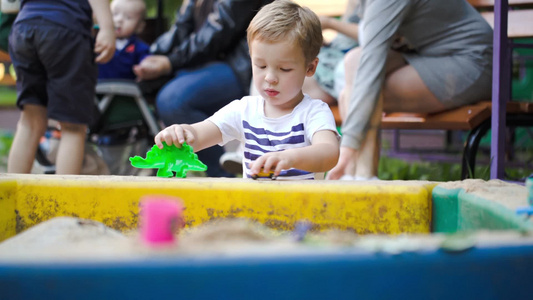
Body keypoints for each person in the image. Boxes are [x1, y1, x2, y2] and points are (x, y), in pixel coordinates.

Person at [154, 0, 340, 180]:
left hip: (302, 211)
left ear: (310, 68)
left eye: (284, 69)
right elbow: (199, 134)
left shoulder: (314, 112)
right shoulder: (243, 110)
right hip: (252, 211)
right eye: (260, 66)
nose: (270, 78)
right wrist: (181, 134)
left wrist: (290, 158)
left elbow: (329, 153)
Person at [326, 0, 493, 180]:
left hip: (473, 62)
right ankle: (355, 174)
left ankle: (362, 175)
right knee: (353, 62)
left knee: (360, 89)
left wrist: (348, 146)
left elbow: (371, 67)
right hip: (429, 55)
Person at [133, 0, 273, 177]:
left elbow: (218, 32)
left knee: (173, 100)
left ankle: (222, 175)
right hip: (203, 62)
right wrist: (148, 57)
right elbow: (181, 27)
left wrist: (170, 62)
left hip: (240, 66)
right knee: (150, 85)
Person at [7, 0, 115, 174]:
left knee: (30, 122)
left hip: (24, 26)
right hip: (65, 28)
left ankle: (10, 198)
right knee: (73, 127)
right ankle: (63, 201)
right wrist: (107, 27)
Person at [98, 0, 149, 80]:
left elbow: (147, 63)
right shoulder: (98, 42)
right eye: (114, 14)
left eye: (128, 17)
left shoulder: (140, 48)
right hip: (99, 88)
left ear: (139, 27)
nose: (119, 20)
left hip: (127, 90)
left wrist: (145, 67)